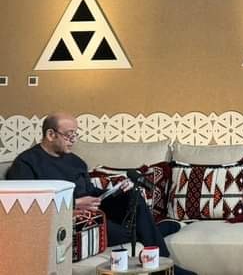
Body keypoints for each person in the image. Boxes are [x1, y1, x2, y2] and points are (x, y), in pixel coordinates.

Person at [6, 112, 196, 275]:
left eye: (75, 135)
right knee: (130, 233)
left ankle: (163, 260)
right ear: (50, 134)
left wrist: (116, 191)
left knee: (133, 195)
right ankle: (161, 242)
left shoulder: (75, 161)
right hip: (70, 219)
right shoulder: (26, 163)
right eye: (69, 135)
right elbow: (26, 206)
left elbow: (91, 192)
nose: (74, 140)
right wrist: (74, 204)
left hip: (95, 211)